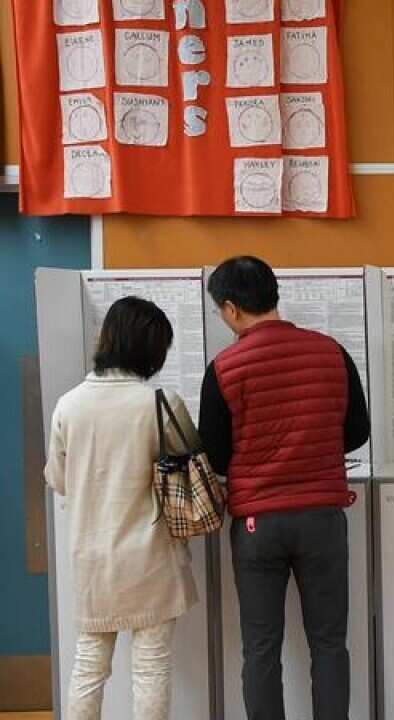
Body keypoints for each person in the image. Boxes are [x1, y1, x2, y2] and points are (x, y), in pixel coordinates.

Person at [198, 256, 370, 720]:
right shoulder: (331, 351)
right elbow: (357, 432)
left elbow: (213, 454)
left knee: (260, 648)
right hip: (322, 520)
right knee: (330, 642)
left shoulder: (224, 368)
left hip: (258, 523)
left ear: (231, 309)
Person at [44, 297, 200, 720]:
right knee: (151, 669)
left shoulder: (68, 405)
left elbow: (58, 480)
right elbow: (193, 468)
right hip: (151, 558)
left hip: (92, 559)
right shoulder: (160, 404)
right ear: (148, 349)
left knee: (89, 667)